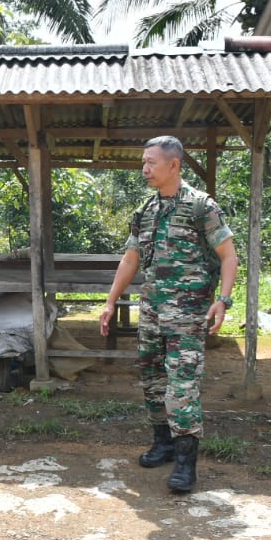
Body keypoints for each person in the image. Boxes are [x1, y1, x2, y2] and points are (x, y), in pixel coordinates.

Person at [100, 135, 239, 493]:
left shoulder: (201, 206)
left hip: (188, 316)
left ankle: (185, 462)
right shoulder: (147, 209)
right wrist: (111, 301)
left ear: (174, 165)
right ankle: (162, 443)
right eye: (143, 162)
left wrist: (223, 300)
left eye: (151, 162)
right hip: (151, 313)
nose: (144, 169)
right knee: (152, 380)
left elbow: (228, 256)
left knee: (182, 386)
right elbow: (131, 258)